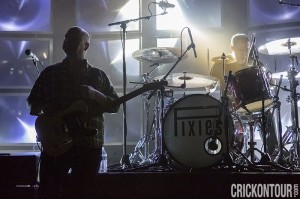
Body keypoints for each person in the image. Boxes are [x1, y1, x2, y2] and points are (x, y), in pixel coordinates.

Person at [27, 26, 119, 198]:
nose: (68, 41)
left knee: (83, 192)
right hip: (56, 142)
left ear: (86, 46)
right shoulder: (50, 73)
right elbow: (33, 103)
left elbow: (114, 106)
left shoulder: (98, 76)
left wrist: (95, 94)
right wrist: (46, 108)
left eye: (75, 38)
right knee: (48, 191)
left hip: (89, 145)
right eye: (66, 37)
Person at [210, 33, 278, 158]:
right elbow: (211, 87)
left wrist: (270, 82)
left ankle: (273, 155)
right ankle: (230, 155)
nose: (244, 53)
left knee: (267, 113)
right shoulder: (220, 64)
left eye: (246, 49)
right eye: (240, 49)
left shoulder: (256, 64)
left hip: (255, 105)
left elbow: (268, 85)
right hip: (232, 107)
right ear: (232, 48)